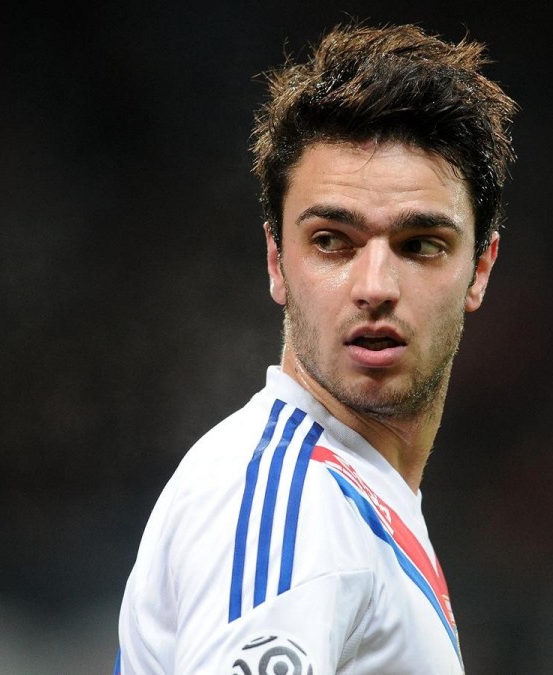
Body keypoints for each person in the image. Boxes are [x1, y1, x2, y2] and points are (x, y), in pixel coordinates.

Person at [117, 23, 516, 674]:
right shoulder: (294, 507)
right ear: (277, 261)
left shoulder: (355, 496)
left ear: (480, 268)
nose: (375, 287)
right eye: (332, 241)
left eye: (420, 245)